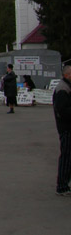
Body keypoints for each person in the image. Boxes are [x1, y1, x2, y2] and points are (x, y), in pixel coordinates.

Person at [53, 65, 71, 196]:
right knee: (66, 157)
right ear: (67, 75)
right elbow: (62, 110)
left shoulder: (66, 87)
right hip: (66, 129)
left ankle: (65, 184)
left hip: (67, 127)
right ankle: (62, 186)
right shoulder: (62, 89)